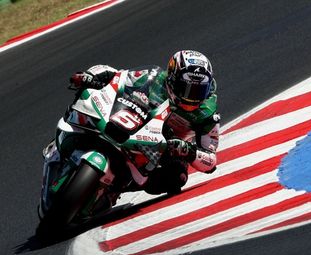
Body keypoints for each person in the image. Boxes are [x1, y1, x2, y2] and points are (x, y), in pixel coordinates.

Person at [68, 50, 220, 195]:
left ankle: (119, 187)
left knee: (177, 177)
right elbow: (117, 76)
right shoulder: (154, 78)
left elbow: (211, 161)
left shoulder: (207, 113)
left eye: (198, 90)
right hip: (132, 122)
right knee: (88, 95)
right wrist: (89, 76)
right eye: (186, 88)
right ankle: (70, 131)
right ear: (172, 79)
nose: (192, 96)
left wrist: (188, 150)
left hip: (165, 149)